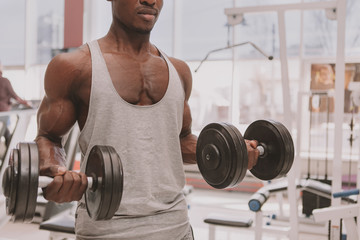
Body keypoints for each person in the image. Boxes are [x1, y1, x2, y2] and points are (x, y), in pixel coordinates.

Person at [35, 0, 259, 239]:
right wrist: (55, 173)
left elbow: (180, 141)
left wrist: (230, 153)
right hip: (106, 230)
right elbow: (48, 137)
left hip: (175, 227)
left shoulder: (179, 71)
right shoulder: (75, 67)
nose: (150, 1)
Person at [0, 62, 32, 146]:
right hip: (4, 112)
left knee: (5, 131)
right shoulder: (5, 81)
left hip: (2, 114)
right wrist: (26, 103)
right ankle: (10, 149)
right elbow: (15, 96)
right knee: (6, 132)